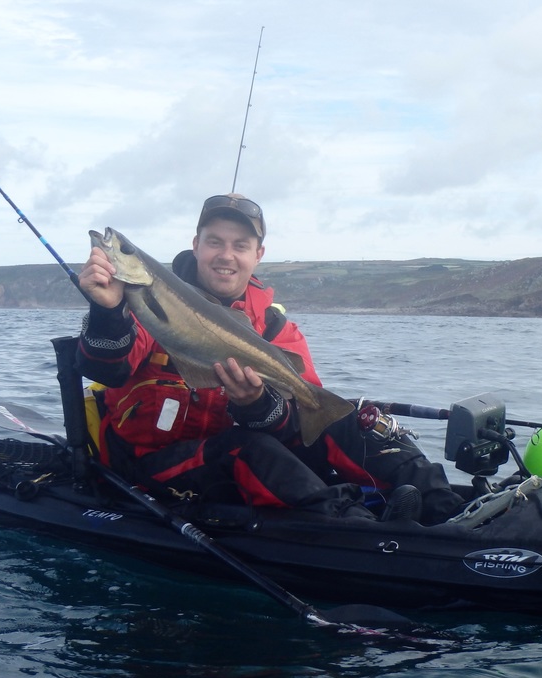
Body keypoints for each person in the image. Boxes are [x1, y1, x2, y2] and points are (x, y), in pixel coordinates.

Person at [75, 193, 465, 523]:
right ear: (196, 245)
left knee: (350, 418)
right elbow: (105, 369)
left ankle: (447, 515)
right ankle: (359, 530)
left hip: (233, 452)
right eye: (215, 242)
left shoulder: (276, 329)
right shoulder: (140, 302)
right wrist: (106, 312)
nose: (225, 255)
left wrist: (257, 404)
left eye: (240, 245)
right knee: (249, 448)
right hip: (153, 467)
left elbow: (296, 419)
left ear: (258, 255)